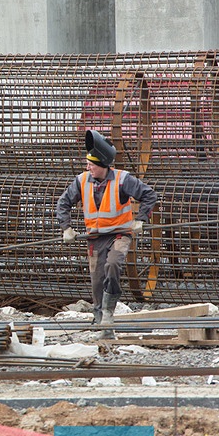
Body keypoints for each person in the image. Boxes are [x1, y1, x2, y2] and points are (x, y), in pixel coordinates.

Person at [56, 130, 157, 338]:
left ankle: (108, 314)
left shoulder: (122, 180)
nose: (87, 167)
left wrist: (140, 219)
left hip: (119, 234)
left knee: (113, 264)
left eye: (91, 165)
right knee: (97, 280)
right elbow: (63, 203)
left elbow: (149, 195)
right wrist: (66, 227)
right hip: (95, 238)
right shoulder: (82, 181)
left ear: (102, 165)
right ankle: (102, 323)